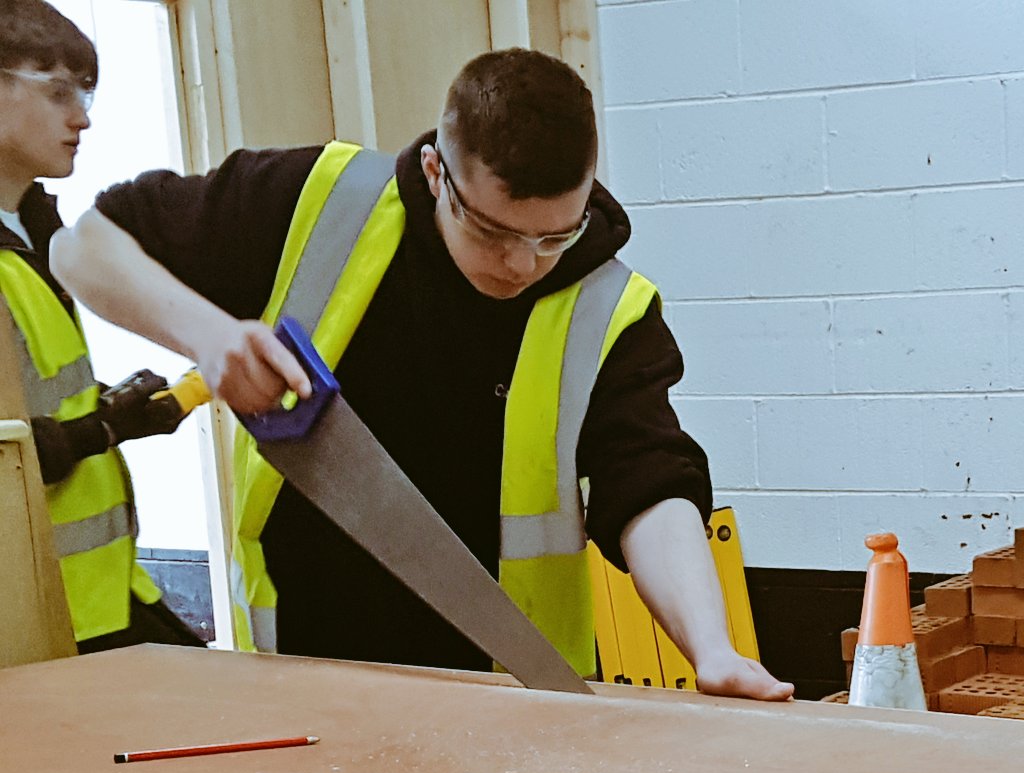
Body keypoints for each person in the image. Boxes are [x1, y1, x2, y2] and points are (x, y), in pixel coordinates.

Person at [52, 48, 793, 700]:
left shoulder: (609, 309)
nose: (522, 264)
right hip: (301, 686)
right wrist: (208, 335)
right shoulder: (313, 202)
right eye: (494, 231)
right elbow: (82, 247)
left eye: (555, 237)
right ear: (437, 172)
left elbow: (650, 485)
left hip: (516, 705)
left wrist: (711, 648)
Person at [0, 0, 203, 652]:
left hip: (101, 601)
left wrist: (113, 416)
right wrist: (108, 427)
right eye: (59, 92)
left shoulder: (35, 234)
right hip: (32, 626)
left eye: (84, 94)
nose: (82, 118)